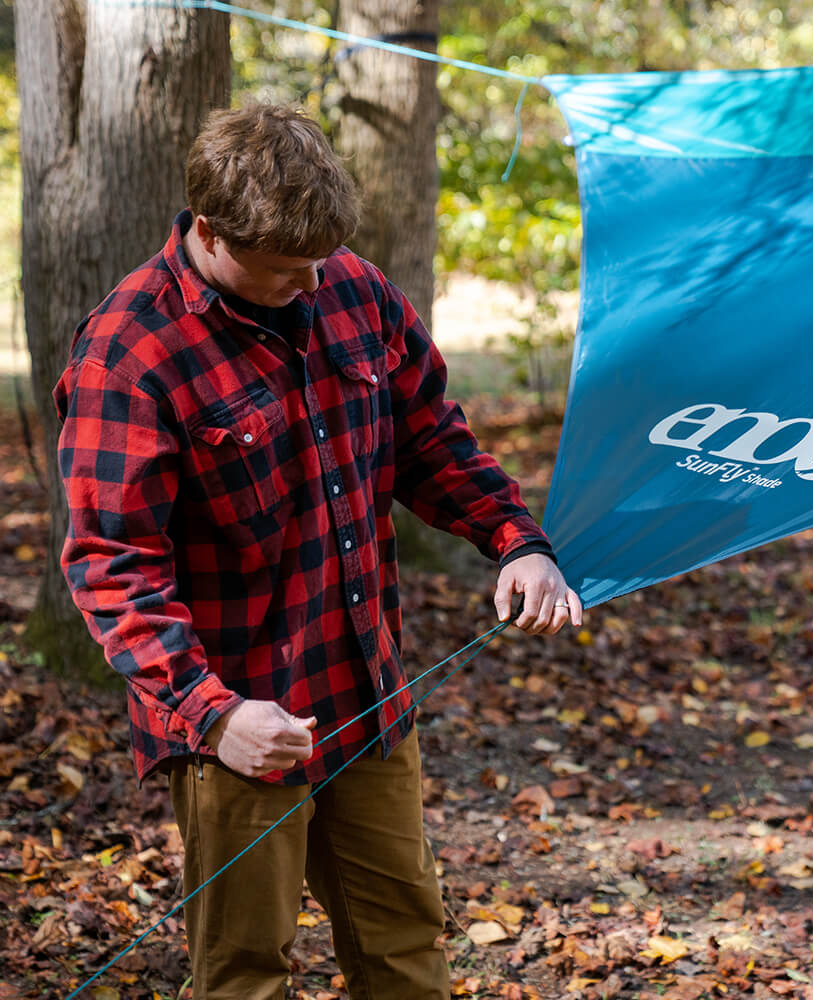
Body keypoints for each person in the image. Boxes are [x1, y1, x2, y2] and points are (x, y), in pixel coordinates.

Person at [55, 103, 583, 1000]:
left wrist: (516, 540)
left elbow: (432, 442)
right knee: (245, 973)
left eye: (317, 265)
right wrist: (214, 715)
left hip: (366, 693)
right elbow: (114, 565)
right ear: (211, 234)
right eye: (283, 271)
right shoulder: (130, 353)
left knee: (407, 946)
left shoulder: (352, 287)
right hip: (237, 720)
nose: (308, 286)